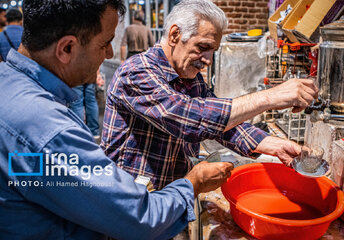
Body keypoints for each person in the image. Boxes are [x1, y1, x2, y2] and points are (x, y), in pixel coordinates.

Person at [0, 0, 234, 239]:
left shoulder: (10, 86)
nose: (110, 53)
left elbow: (43, 174)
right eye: (105, 44)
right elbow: (141, 218)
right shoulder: (47, 130)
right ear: (67, 48)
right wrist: (192, 183)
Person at [101, 0, 319, 190]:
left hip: (169, 199)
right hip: (130, 203)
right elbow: (189, 118)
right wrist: (269, 98)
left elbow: (219, 123)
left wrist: (271, 144)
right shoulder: (136, 72)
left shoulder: (189, 76)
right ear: (175, 35)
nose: (207, 60)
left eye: (212, 51)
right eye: (202, 47)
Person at [69, 69, 103, 139]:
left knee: (77, 102)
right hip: (90, 71)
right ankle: (94, 132)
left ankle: (79, 132)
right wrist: (98, 73)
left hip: (76, 70)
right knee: (91, 101)